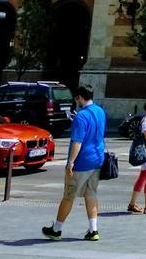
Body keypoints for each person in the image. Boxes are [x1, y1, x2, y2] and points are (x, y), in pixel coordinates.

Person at [43, 84, 106, 242]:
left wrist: (70, 162)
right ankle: (93, 230)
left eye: (76, 98)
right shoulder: (100, 111)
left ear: (79, 97)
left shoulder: (81, 117)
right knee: (91, 193)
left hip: (82, 161)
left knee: (69, 196)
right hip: (97, 159)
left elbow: (77, 141)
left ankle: (56, 229)